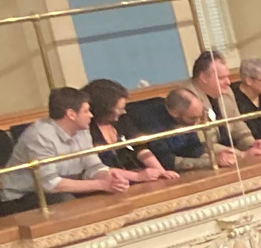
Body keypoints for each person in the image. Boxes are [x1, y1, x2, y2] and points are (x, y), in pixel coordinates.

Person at [0, 86, 139, 213]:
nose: (91, 115)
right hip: (22, 197)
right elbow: (51, 184)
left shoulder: (82, 129)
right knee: (67, 203)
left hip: (63, 188)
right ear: (71, 114)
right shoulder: (39, 136)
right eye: (86, 111)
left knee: (114, 195)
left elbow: (92, 165)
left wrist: (109, 179)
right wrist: (102, 184)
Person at [85, 80, 169, 179]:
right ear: (103, 109)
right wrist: (137, 176)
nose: (124, 112)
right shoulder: (86, 130)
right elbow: (98, 168)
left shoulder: (122, 120)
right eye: (119, 109)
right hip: (110, 180)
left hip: (137, 175)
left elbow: (140, 148)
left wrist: (161, 171)